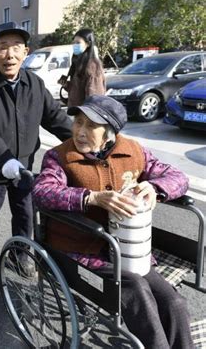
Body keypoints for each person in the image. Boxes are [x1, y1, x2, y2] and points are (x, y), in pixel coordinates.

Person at [32, 95, 193, 348]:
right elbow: (42, 192)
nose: (80, 131)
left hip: (130, 249)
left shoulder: (134, 152)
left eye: (90, 125)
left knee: (175, 303)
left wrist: (155, 186)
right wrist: (91, 197)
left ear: (109, 134)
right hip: (81, 246)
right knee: (140, 295)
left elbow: (178, 177)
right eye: (78, 122)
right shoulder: (59, 157)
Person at [0, 22, 72, 273]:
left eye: (16, 48)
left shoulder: (34, 84)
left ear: (26, 52)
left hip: (24, 166)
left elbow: (55, 118)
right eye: (2, 47)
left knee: (26, 212)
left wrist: (82, 140)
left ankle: (20, 254)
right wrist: (5, 159)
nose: (9, 54)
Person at [58, 28, 106, 107]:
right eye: (74, 42)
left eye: (78, 42)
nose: (75, 45)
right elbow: (78, 89)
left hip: (86, 115)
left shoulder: (92, 66)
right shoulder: (79, 63)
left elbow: (94, 96)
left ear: (88, 44)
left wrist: (86, 115)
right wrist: (66, 85)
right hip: (77, 111)